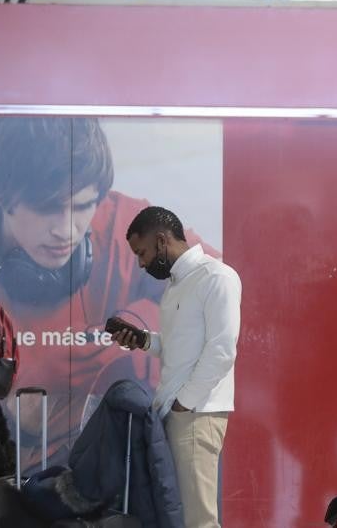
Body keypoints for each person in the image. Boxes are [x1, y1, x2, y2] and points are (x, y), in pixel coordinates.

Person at [0, 117, 213, 463]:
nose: (66, 230)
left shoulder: (126, 222)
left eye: (84, 205)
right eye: (48, 208)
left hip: (121, 461)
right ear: (1, 196)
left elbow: (214, 287)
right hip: (15, 468)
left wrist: (124, 338)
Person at [114, 207, 241, 528]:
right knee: (179, 516)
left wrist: (185, 404)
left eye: (142, 253)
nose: (141, 263)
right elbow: (179, 349)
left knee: (199, 519)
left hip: (195, 415)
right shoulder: (177, 284)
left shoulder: (217, 277)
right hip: (174, 412)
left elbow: (222, 349)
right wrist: (143, 341)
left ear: (161, 240)